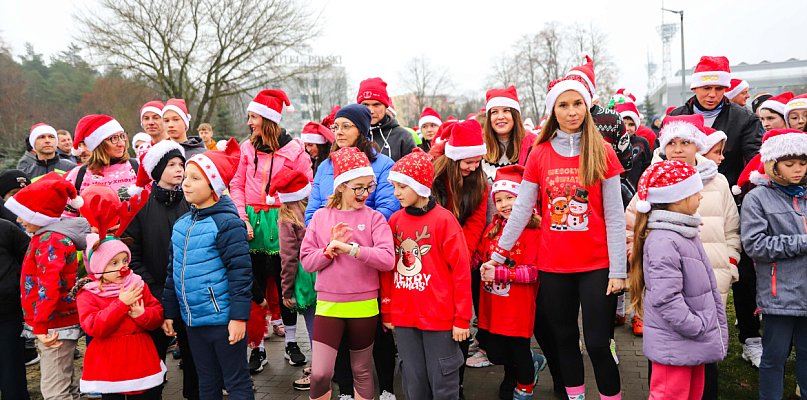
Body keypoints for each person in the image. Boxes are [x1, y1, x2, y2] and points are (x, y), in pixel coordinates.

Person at [489, 75, 626, 399]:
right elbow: (522, 210)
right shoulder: (539, 153)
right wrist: (498, 255)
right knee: (564, 340)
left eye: (577, 103)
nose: (572, 111)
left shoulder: (602, 151)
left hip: (597, 265)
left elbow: (615, 216)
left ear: (587, 106)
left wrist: (619, 270)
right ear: (553, 111)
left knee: (596, 343)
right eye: (563, 105)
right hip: (553, 267)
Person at [625, 114, 740, 398]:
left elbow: (732, 227)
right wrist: (637, 255)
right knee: (672, 380)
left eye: (685, 142)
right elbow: (632, 224)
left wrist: (730, 266)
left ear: (698, 146)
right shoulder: (653, 185)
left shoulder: (719, 182)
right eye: (671, 142)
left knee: (702, 379)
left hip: (710, 289)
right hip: (681, 312)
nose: (678, 149)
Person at [304, 104, 398, 398]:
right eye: (358, 188)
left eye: (367, 188)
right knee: (321, 371)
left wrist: (356, 245)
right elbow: (308, 257)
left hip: (365, 300)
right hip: (329, 301)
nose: (364, 194)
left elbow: (386, 254)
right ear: (342, 186)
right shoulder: (322, 211)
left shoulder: (373, 214)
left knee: (363, 367)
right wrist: (327, 248)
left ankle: (378, 392)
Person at [162, 139, 254, 400]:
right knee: (206, 382)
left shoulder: (228, 224)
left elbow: (240, 274)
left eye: (195, 178)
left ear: (214, 187)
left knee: (236, 381)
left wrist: (239, 317)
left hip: (223, 322)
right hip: (192, 322)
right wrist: (170, 312)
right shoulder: (181, 225)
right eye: (186, 177)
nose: (186, 183)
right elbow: (173, 272)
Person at [230, 89, 312, 373]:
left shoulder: (295, 150)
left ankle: (291, 341)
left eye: (253, 116)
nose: (249, 121)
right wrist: (242, 218)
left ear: (268, 119)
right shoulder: (245, 148)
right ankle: (258, 346)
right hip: (252, 219)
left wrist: (295, 220)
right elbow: (237, 185)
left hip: (283, 218)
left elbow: (306, 187)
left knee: (283, 280)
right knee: (255, 284)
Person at [379, 148, 471, 400]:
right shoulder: (394, 221)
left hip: (440, 318)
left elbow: (461, 272)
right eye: (394, 186)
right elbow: (387, 270)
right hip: (405, 317)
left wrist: (462, 318)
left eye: (401, 187)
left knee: (443, 379)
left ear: (419, 186)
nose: (396, 192)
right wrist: (387, 310)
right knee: (413, 380)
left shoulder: (444, 221)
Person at [72, 185, 165, 398]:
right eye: (114, 262)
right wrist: (121, 304)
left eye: (125, 260)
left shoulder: (137, 283)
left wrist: (143, 315)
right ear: (98, 267)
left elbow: (156, 313)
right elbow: (94, 327)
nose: (123, 267)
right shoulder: (89, 292)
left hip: (140, 356)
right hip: (108, 361)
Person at [5, 172, 90, 400]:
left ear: (40, 215)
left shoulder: (49, 241)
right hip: (56, 323)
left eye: (24, 215)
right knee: (66, 382)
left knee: (54, 390)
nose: (19, 220)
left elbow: (48, 286)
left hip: (53, 326)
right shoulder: (46, 237)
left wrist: (40, 326)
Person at [124, 140, 198, 399]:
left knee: (193, 358)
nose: (179, 169)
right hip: (153, 295)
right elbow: (131, 254)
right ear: (157, 170)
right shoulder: (141, 207)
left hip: (189, 294)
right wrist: (153, 288)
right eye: (171, 165)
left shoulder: (191, 202)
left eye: (181, 164)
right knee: (154, 358)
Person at [740, 128, 807, 399]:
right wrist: (802, 242)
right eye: (789, 164)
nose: (798, 170)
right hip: (780, 296)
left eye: (803, 163)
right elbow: (755, 245)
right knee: (774, 358)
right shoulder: (757, 198)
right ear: (773, 164)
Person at [430, 119, 489, 393]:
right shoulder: (434, 179)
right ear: (454, 158)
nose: (474, 167)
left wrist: (459, 258)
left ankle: (458, 382)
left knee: (461, 320)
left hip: (462, 260)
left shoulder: (480, 182)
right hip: (432, 258)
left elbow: (476, 223)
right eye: (468, 161)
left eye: (478, 161)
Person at [477, 165, 547, 400]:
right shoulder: (491, 229)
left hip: (518, 307)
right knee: (495, 351)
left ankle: (524, 387)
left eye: (511, 197)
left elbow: (534, 272)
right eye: (499, 199)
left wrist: (501, 275)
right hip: (492, 305)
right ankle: (523, 367)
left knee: (517, 350)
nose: (505, 204)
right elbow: (480, 256)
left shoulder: (534, 230)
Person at [668, 56, 763, 186]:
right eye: (706, 88)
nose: (712, 94)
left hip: (727, 192)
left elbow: (754, 158)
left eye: (719, 89)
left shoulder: (745, 118)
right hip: (682, 193)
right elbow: (661, 156)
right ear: (695, 88)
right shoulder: (676, 117)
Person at [270, 170, 317, 391]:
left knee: (313, 325)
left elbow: (288, 257)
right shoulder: (316, 207)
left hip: (305, 275)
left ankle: (320, 371)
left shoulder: (287, 217)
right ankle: (332, 365)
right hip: (324, 268)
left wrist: (286, 291)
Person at [65, 114, 138, 203]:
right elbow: (67, 215)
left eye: (122, 136)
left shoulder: (138, 167)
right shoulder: (78, 175)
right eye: (113, 138)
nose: (121, 143)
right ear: (98, 145)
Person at [0, 216, 31, 400]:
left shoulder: (5, 228)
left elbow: (30, 257)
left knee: (11, 371)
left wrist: (15, 284)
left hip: (7, 312)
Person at [481, 86, 537, 184]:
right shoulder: (479, 147)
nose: (500, 117)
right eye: (494, 112)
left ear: (515, 115)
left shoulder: (533, 146)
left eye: (506, 111)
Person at [356, 77, 416, 161]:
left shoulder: (403, 137)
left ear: (386, 107)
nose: (371, 111)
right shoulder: (352, 134)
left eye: (376, 105)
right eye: (365, 105)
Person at [615, 102, 652, 191]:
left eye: (631, 124)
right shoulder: (612, 143)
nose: (627, 128)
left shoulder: (642, 143)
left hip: (637, 189)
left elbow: (647, 166)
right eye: (623, 124)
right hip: (615, 189)